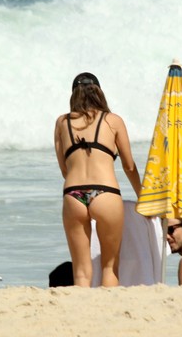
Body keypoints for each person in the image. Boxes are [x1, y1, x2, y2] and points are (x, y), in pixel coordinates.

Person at [54, 72, 142, 287]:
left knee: (81, 271)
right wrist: (143, 196)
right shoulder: (113, 121)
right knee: (110, 266)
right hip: (106, 192)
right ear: (99, 92)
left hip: (73, 193)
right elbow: (129, 166)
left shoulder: (62, 123)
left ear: (74, 94)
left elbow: (65, 169)